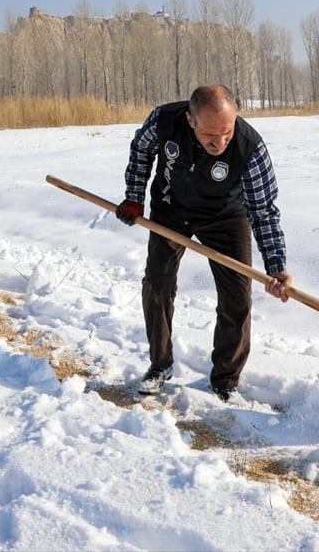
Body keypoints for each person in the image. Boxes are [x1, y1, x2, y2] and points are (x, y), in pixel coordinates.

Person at [116, 84, 292, 402]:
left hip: (225, 218)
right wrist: (133, 196)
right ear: (191, 120)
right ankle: (160, 364)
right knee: (157, 283)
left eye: (227, 132)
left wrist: (276, 266)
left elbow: (264, 211)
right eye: (211, 135)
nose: (220, 142)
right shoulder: (164, 120)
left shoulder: (249, 147)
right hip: (171, 209)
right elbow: (141, 150)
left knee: (237, 299)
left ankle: (225, 380)